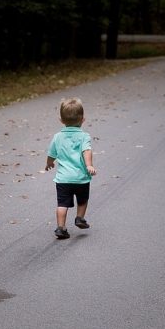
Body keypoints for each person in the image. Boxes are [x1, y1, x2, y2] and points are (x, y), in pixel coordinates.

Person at [45, 97, 97, 239]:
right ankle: (79, 218)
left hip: (63, 179)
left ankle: (61, 228)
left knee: (62, 204)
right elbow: (86, 150)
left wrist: (49, 163)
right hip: (80, 178)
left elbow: (51, 153)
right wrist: (89, 165)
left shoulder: (57, 137)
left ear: (61, 120)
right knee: (83, 200)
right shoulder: (84, 136)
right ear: (83, 119)